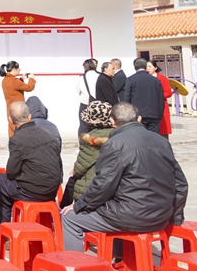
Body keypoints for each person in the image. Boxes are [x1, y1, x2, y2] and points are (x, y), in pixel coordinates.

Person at [61, 102, 188, 252]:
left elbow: (102, 185)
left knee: (70, 218)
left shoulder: (114, 144)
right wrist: (175, 217)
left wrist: (78, 205)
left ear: (113, 122)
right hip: (161, 215)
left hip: (131, 216)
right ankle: (121, 258)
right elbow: (181, 183)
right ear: (139, 119)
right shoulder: (161, 141)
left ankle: (76, 265)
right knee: (115, 204)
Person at [0, 101, 62, 240]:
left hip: (33, 190)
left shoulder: (18, 139)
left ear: (10, 120)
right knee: (5, 184)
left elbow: (11, 172)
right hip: (52, 189)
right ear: (29, 117)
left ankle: (1, 235)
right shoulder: (48, 134)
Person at [70, 100, 115, 203]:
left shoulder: (90, 139)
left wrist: (74, 171)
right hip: (114, 187)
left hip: (92, 189)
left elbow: (79, 169)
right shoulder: (118, 135)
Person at [124, 57, 165, 133]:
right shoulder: (155, 80)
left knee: (139, 137)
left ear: (135, 67)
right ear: (145, 67)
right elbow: (161, 98)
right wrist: (160, 114)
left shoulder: (130, 79)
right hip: (154, 114)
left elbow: (127, 98)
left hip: (138, 114)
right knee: (153, 137)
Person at [0, 61, 35, 138]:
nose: (19, 70)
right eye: (18, 68)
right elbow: (29, 88)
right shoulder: (14, 81)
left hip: (10, 109)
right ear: (14, 69)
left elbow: (15, 86)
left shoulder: (5, 80)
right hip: (19, 109)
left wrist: (21, 79)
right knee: (23, 128)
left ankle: (13, 145)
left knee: (12, 129)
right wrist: (31, 79)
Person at [146, 60, 174, 137]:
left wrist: (156, 96)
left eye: (150, 67)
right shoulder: (145, 78)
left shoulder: (162, 78)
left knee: (162, 129)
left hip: (160, 104)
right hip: (148, 106)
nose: (148, 68)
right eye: (146, 67)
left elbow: (168, 92)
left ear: (155, 68)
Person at [77, 58, 98, 137]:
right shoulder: (100, 76)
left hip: (85, 103)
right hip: (97, 105)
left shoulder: (81, 78)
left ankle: (83, 144)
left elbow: (78, 91)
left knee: (84, 125)